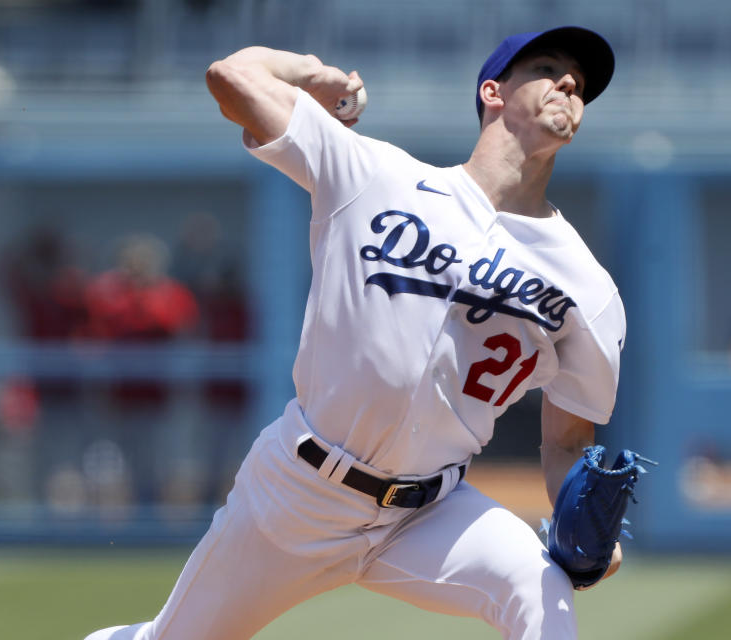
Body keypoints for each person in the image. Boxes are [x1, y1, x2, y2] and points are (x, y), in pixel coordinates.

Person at [85, 25, 625, 640]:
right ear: (493, 91)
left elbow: (566, 443)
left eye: (580, 86)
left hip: (431, 512)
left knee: (540, 589)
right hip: (297, 495)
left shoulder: (587, 284)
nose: (568, 85)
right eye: (550, 69)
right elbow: (231, 77)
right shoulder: (374, 174)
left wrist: (583, 523)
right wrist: (311, 75)